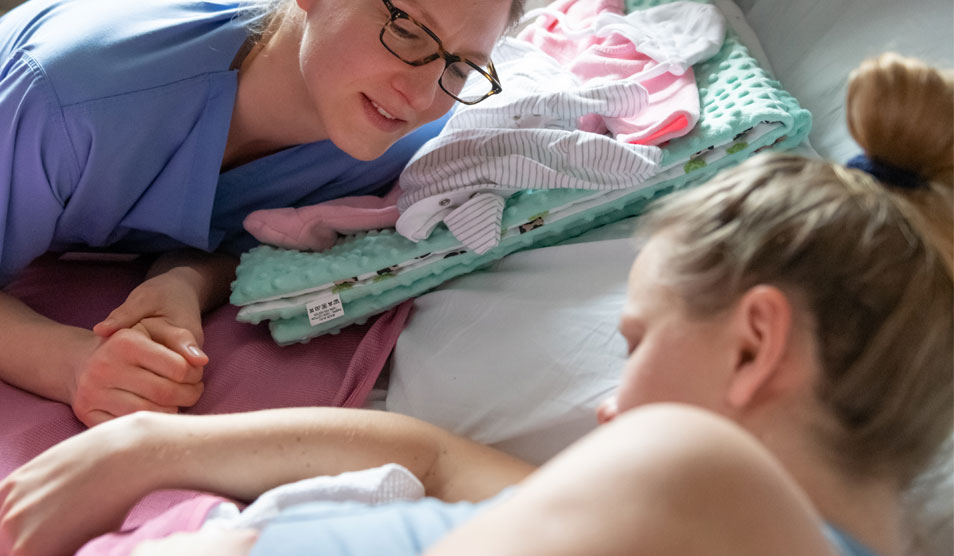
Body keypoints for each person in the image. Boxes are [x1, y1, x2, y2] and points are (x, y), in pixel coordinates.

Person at [2, 52, 952, 556]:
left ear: (754, 345)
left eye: (640, 343)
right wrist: (140, 450)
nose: (609, 404)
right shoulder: (726, 516)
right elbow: (433, 454)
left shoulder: (699, 472)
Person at [0, 0, 524, 427]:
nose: (420, 93)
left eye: (460, 63)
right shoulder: (70, 97)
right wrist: (70, 364)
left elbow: (252, 233)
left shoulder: (399, 141)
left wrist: (185, 281)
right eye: (406, 27)